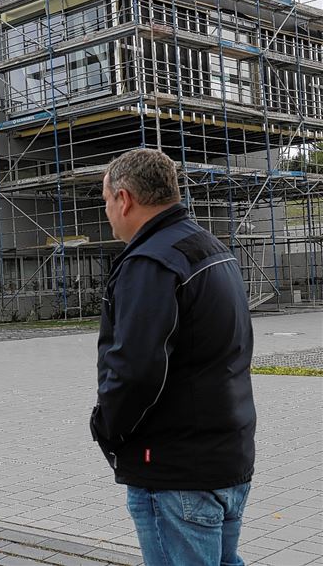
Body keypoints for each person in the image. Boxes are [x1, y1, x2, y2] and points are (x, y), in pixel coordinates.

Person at [90, 149, 256, 566]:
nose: (107, 211)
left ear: (124, 199)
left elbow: (135, 371)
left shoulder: (150, 262)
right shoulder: (210, 248)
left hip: (175, 468)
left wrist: (106, 428)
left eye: (106, 200)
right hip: (224, 454)